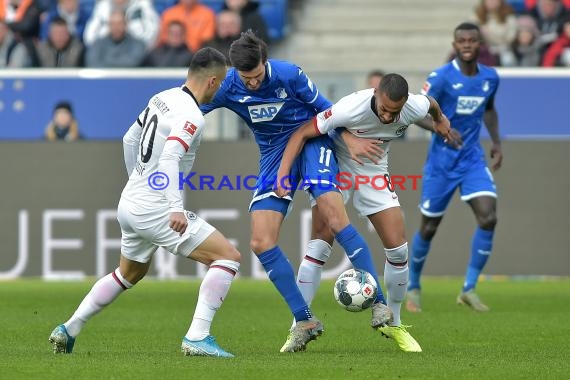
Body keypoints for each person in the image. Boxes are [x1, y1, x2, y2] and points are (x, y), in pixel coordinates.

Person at [200, 30, 393, 353]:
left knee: (333, 216)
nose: (252, 83)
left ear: (265, 61)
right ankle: (304, 320)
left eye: (257, 75)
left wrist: (349, 139)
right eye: (246, 78)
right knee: (260, 242)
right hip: (274, 155)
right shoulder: (228, 85)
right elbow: (192, 104)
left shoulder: (289, 74)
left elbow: (327, 111)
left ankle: (380, 304)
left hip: (313, 141)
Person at [49, 47, 242, 358]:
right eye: (220, 83)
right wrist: (174, 206)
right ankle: (197, 336)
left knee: (129, 273)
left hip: (131, 200)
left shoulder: (161, 97)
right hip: (157, 208)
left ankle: (69, 328)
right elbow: (169, 157)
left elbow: (129, 138)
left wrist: (136, 180)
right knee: (227, 257)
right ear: (213, 82)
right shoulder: (192, 115)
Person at [275, 74, 458, 352]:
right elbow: (303, 133)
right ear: (375, 94)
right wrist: (284, 174)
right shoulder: (351, 106)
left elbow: (431, 103)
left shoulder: (412, 107)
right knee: (320, 244)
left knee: (398, 250)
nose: (386, 116)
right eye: (383, 108)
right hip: (335, 168)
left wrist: (440, 119)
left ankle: (393, 323)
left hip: (372, 171)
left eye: (393, 112)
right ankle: (297, 327)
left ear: (405, 103)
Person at [406, 22, 502, 313]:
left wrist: (496, 142)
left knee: (488, 218)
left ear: (480, 44)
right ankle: (413, 286)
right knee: (429, 227)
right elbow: (414, 111)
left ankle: (469, 289)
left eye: (472, 40)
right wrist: (439, 128)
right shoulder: (441, 77)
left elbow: (488, 109)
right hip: (442, 164)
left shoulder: (490, 77)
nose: (467, 45)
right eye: (462, 41)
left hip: (472, 159)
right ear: (455, 44)